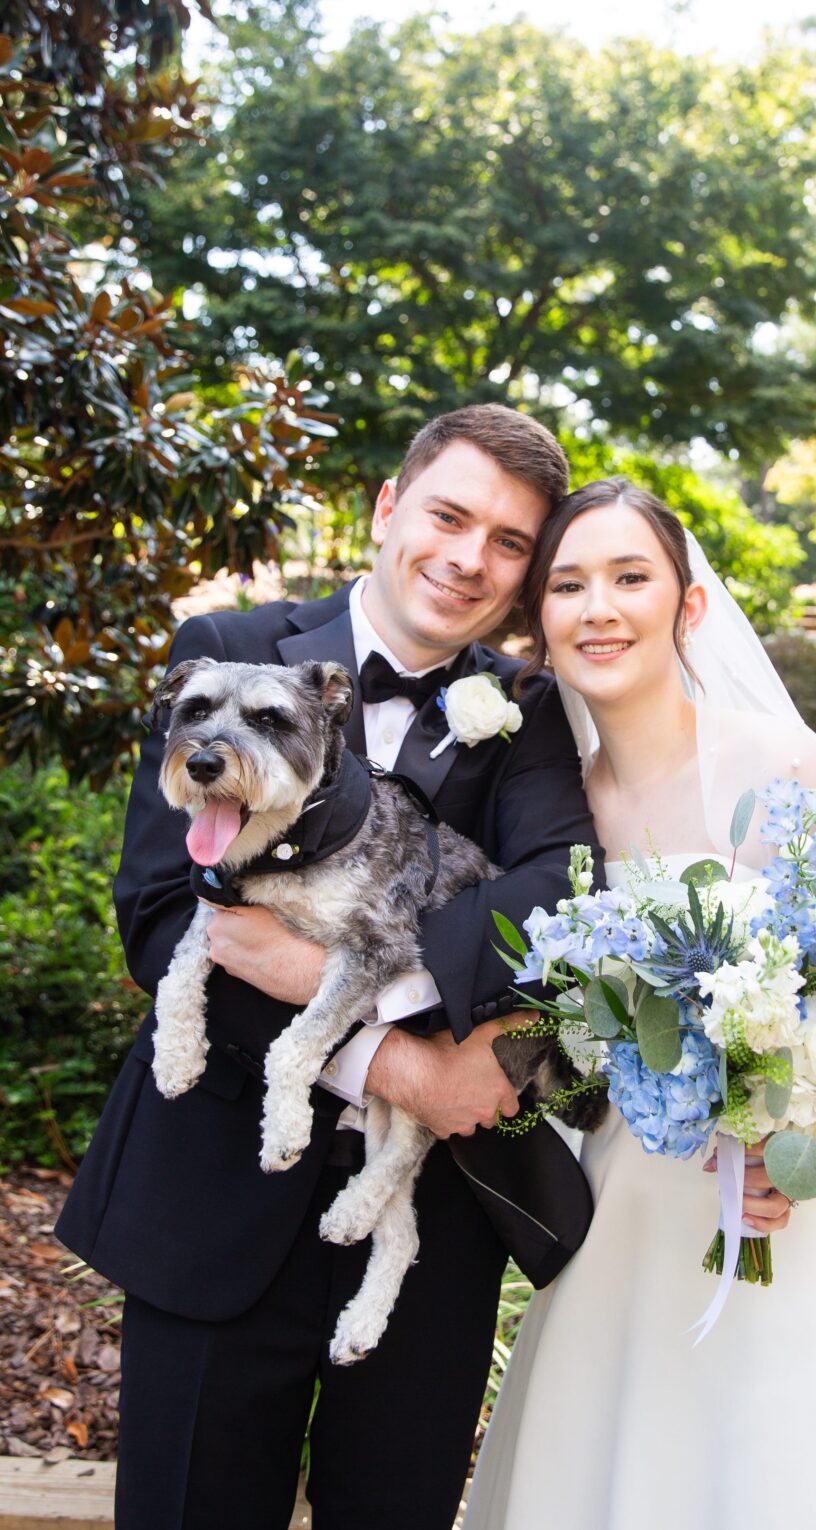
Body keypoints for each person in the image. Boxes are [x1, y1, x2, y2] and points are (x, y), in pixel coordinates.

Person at [58, 405, 612, 1530]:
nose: (468, 558)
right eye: (449, 515)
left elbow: (557, 893)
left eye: (509, 542)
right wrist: (393, 1066)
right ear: (387, 508)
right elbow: (165, 916)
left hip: (430, 1232)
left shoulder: (537, 713)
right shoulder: (229, 650)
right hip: (208, 1193)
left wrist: (350, 974)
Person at [463, 478, 816, 1530]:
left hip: (798, 1214)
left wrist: (804, 1142)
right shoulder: (556, 806)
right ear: (541, 615)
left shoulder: (785, 767)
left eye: (632, 577)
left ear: (690, 607)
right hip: (632, 1203)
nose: (599, 608)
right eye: (570, 583)